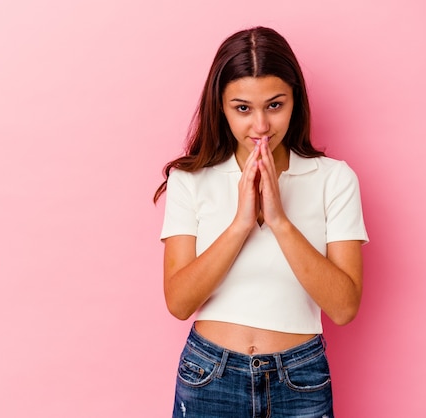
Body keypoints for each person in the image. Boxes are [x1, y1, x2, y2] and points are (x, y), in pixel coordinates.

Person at [154, 26, 368, 417]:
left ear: (295, 101)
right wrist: (239, 224)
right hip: (209, 376)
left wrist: (280, 221)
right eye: (242, 108)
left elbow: (343, 307)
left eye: (274, 105)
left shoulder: (334, 179)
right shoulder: (190, 180)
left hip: (299, 378)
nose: (261, 127)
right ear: (220, 105)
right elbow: (180, 302)